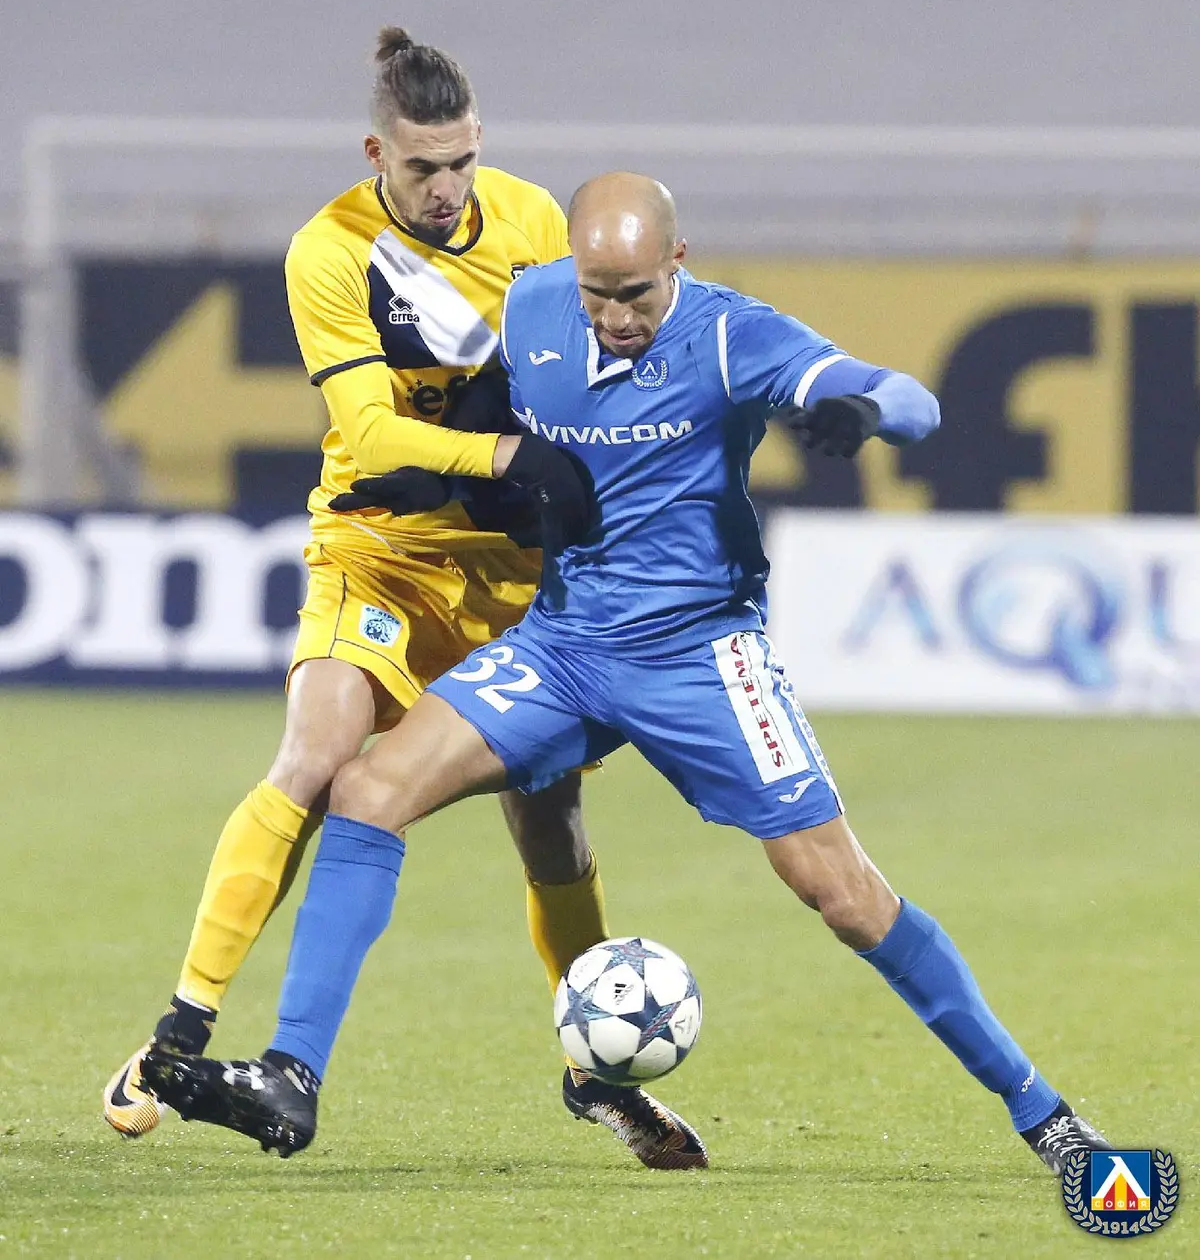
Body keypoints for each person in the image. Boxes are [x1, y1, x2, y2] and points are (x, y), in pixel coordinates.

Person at [142, 172, 1112, 1175]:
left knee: (844, 894)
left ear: (677, 262)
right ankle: (292, 1074)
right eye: (597, 293)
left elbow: (916, 400)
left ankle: (1041, 1110)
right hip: (562, 645)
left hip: (701, 655)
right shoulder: (531, 307)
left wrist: (863, 409)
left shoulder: (730, 335)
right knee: (366, 787)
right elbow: (473, 413)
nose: (615, 317)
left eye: (637, 294)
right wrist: (439, 473)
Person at [104, 40, 707, 1172]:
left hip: (513, 572)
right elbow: (373, 433)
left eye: (463, 161)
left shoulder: (531, 220)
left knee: (550, 817)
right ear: (377, 152)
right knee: (316, 757)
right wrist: (509, 453)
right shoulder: (330, 250)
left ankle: (599, 1076)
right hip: (380, 549)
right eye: (425, 166)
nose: (448, 187)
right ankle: (179, 1031)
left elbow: (588, 374)